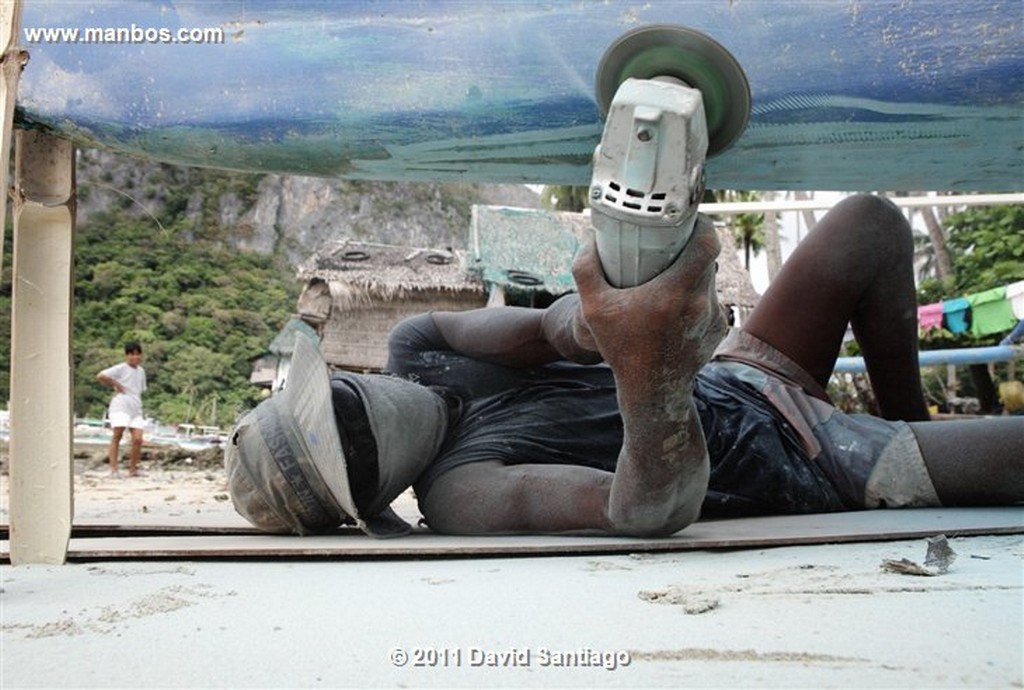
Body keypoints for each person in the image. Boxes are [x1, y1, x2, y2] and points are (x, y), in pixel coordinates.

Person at [225, 194, 1023, 538]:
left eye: (335, 395)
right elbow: (641, 509)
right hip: (800, 461)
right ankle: (906, 454)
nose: (360, 408)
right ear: (380, 496)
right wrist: (652, 371)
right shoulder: (460, 493)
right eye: (351, 443)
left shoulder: (421, 344)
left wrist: (612, 309)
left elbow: (554, 330)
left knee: (869, 224)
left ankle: (909, 421)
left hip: (745, 373)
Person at [97, 341, 148, 476]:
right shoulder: (121, 368)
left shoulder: (141, 371)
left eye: (137, 354)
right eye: (131, 354)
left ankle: (133, 469)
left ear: (141, 355)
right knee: (117, 435)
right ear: (127, 356)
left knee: (138, 439)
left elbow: (140, 390)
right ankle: (114, 469)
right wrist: (115, 384)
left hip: (135, 407)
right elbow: (101, 376)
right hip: (120, 406)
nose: (134, 357)